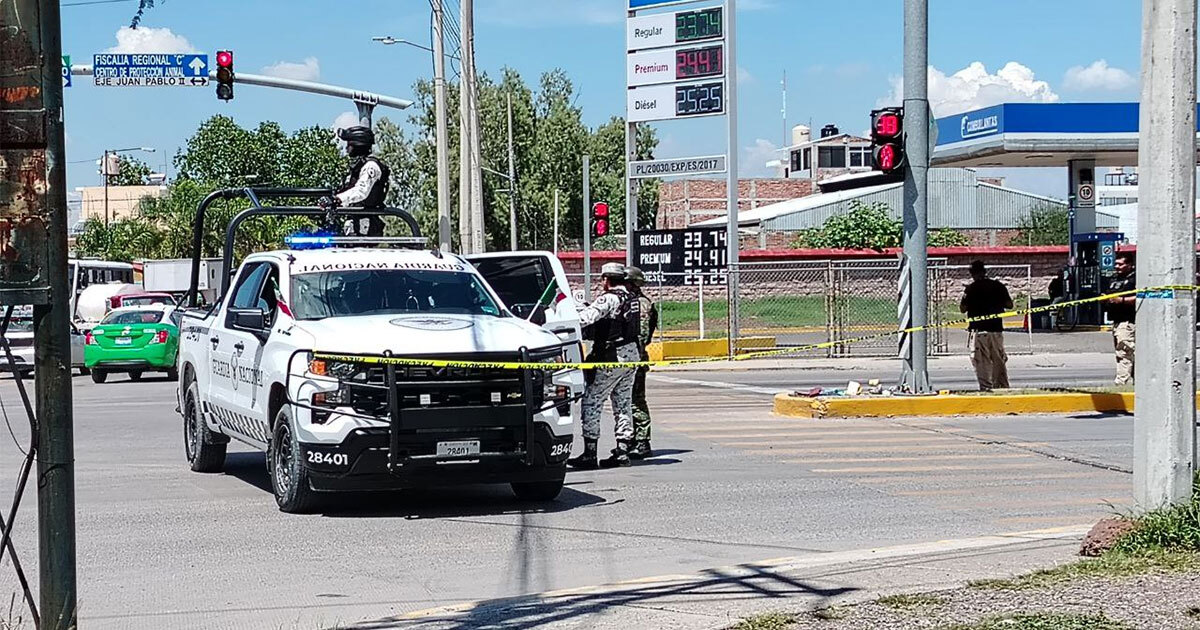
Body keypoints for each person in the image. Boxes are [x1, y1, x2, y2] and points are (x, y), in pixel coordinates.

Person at [568, 263, 641, 470]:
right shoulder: (631, 298)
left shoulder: (609, 298)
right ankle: (623, 451)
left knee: (592, 400)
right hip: (631, 355)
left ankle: (590, 453)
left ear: (607, 280)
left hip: (612, 357)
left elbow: (584, 319)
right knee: (623, 402)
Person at [319, 125, 391, 237]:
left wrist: (337, 199)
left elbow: (361, 191)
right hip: (355, 220)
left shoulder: (371, 166)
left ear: (358, 145)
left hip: (365, 224)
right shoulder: (358, 167)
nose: (347, 149)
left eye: (349, 145)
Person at [960, 260, 1014, 391]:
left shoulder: (971, 289)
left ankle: (986, 387)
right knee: (998, 359)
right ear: (985, 271)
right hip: (996, 329)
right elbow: (1009, 305)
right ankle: (1001, 386)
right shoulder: (998, 286)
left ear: (972, 273)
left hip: (979, 331)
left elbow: (963, 308)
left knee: (982, 361)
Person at [624, 266, 658, 460]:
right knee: (625, 402)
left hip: (635, 358)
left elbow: (643, 335)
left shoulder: (642, 304)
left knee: (636, 400)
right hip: (628, 358)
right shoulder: (630, 302)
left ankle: (642, 441)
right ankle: (630, 440)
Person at [1105, 253, 1137, 385]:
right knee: (1124, 352)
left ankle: (1121, 382)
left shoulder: (1134, 279)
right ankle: (1136, 380)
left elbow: (1141, 297)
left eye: (1120, 264)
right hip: (1116, 321)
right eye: (1116, 264)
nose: (1117, 267)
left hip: (1128, 321)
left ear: (1130, 265)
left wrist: (1121, 300)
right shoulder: (1114, 279)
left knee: (1124, 351)